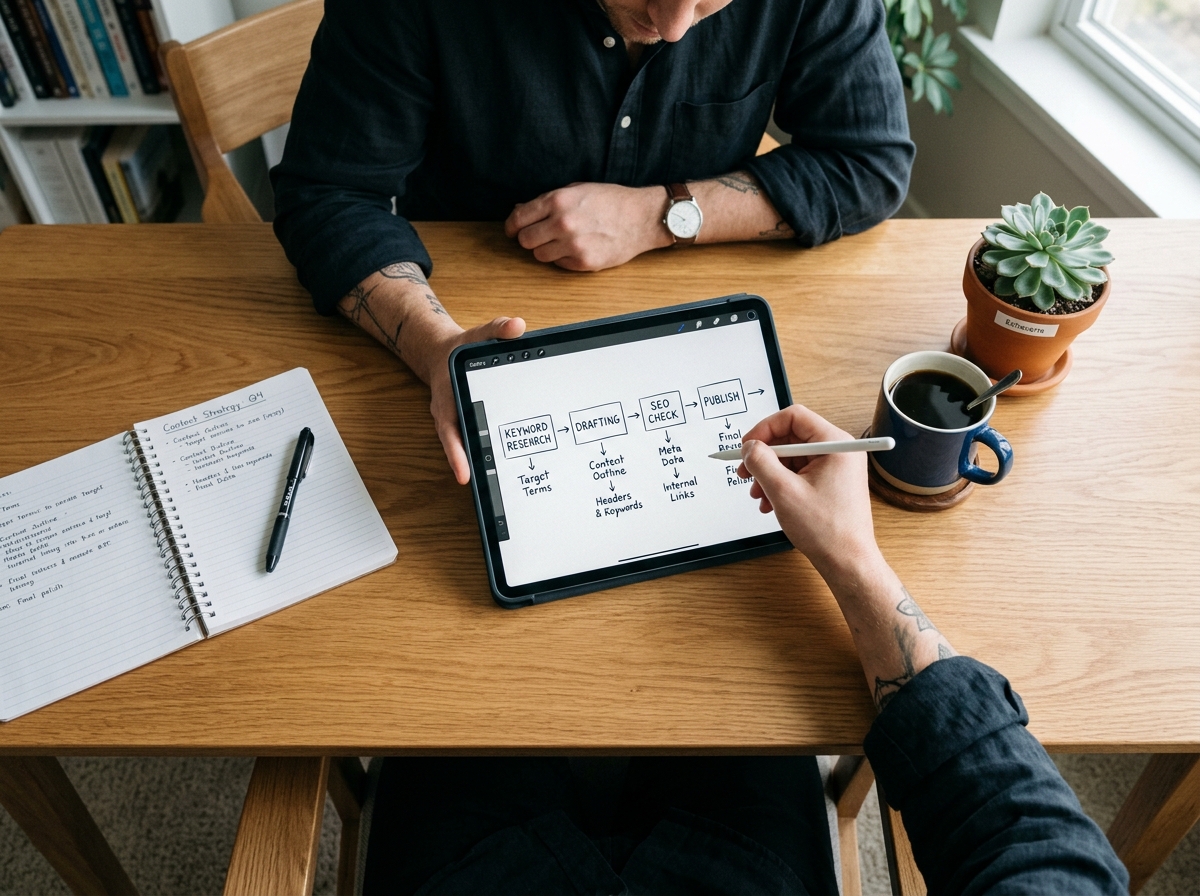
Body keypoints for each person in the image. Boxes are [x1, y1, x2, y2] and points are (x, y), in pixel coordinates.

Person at [360, 405, 1130, 895]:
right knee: (751, 709)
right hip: (742, 876)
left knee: (447, 690)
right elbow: (1032, 847)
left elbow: (1030, 843)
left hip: (472, 878)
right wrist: (855, 564)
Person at [272, 0, 914, 484]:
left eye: (710, 2)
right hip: (467, 325)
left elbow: (869, 162)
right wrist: (437, 349)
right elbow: (328, 195)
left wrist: (660, 214)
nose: (675, 28)